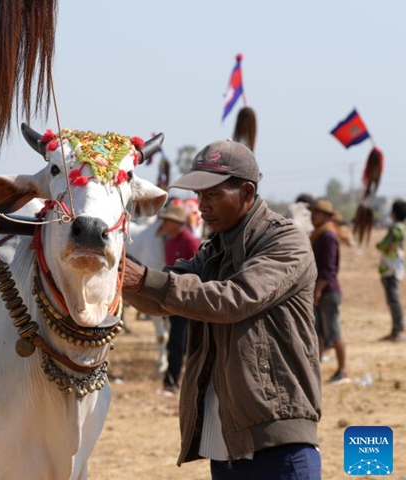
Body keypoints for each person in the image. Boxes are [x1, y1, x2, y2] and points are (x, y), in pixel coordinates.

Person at [122, 139, 321, 479]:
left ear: (246, 193)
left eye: (212, 195)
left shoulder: (286, 241)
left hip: (277, 444)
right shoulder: (214, 249)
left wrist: (144, 280)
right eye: (200, 196)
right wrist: (115, 275)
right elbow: (162, 294)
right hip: (224, 446)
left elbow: (234, 298)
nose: (201, 206)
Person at [156, 203, 201, 395]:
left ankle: (172, 381)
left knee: (179, 341)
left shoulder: (190, 242)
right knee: (177, 340)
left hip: (188, 300)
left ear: (177, 223)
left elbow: (199, 271)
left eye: (168, 221)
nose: (165, 224)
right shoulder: (169, 243)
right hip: (173, 298)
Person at [308, 198, 348, 384]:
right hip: (322, 290)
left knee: (334, 333)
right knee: (319, 333)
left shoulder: (328, 236)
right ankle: (316, 371)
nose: (312, 216)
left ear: (325, 215)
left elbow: (328, 269)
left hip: (327, 291)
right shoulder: (319, 234)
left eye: (316, 213)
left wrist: (317, 290)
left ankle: (343, 371)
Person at [377, 199, 406, 342]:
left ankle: (399, 330)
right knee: (393, 299)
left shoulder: (395, 229)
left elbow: (383, 245)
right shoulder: (402, 227)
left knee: (393, 300)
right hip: (396, 266)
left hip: (390, 267)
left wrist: (380, 245)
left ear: (393, 213)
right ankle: (396, 330)